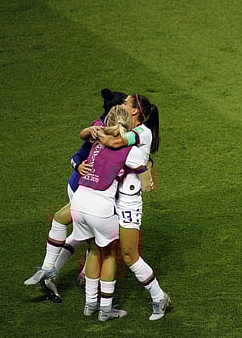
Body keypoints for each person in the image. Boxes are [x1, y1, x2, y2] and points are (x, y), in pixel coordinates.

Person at [24, 89, 128, 302]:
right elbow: (78, 154)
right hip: (85, 188)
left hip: (90, 190)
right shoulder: (102, 129)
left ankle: (56, 272)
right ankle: (93, 297)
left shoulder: (109, 127)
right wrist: (78, 165)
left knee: (82, 235)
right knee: (94, 241)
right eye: (127, 105)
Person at [97, 94, 171, 321]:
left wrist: (96, 132)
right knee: (104, 247)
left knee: (129, 255)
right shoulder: (131, 129)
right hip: (112, 196)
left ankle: (159, 298)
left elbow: (115, 142)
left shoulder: (141, 133)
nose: (121, 106)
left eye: (125, 103)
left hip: (129, 200)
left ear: (135, 111)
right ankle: (103, 305)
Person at [72, 105, 147, 321]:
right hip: (100, 207)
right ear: (129, 124)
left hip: (79, 202)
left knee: (94, 251)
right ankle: (105, 310)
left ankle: (89, 305)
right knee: (109, 254)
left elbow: (84, 134)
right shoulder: (129, 149)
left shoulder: (96, 136)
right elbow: (142, 169)